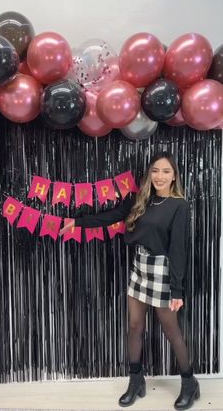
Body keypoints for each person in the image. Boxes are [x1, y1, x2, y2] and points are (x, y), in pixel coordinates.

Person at [59, 152, 200, 410]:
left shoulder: (179, 205)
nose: (159, 176)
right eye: (155, 170)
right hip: (139, 267)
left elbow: (179, 249)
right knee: (134, 326)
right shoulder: (140, 199)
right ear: (149, 173)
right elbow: (111, 216)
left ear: (174, 176)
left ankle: (190, 383)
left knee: (171, 329)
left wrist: (177, 290)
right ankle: (136, 381)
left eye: (166, 171)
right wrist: (77, 222)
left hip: (162, 270)